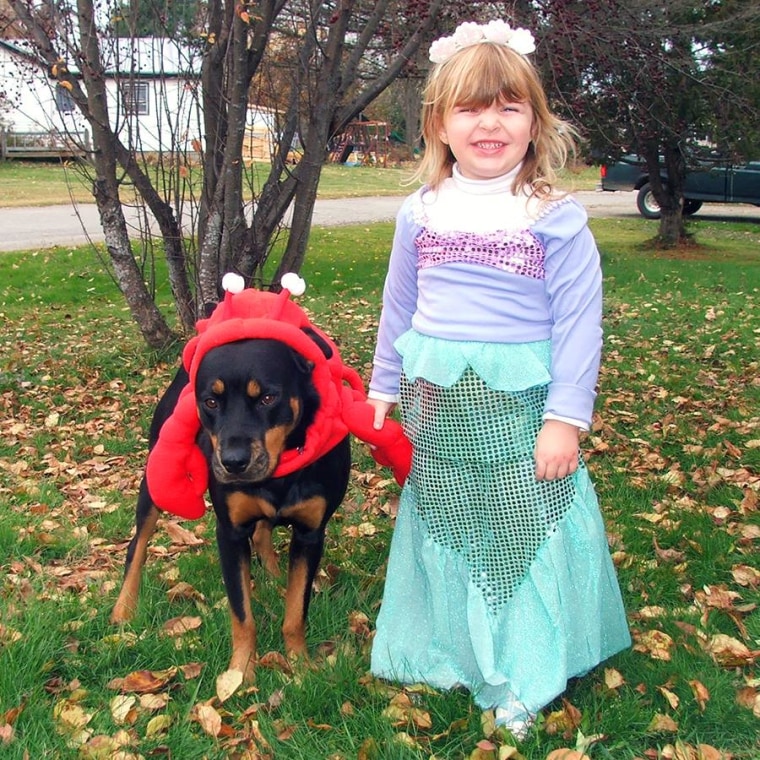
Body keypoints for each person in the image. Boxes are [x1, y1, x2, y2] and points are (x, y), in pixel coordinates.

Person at [366, 19, 631, 741]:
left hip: (520, 412)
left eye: (509, 106)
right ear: (439, 124)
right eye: (471, 108)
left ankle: (526, 668)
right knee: (451, 525)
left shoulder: (554, 218)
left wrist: (565, 420)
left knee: (520, 532)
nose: (490, 122)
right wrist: (381, 389)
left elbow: (580, 326)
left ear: (535, 122)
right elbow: (399, 308)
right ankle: (449, 649)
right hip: (439, 407)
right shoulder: (418, 212)